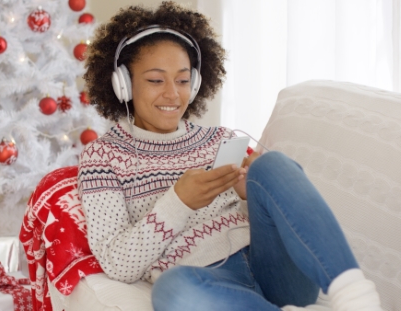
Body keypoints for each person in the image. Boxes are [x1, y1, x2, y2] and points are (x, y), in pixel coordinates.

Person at [78, 2, 383, 311]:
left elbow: (264, 219)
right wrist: (177, 202)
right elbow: (118, 265)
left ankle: (358, 299)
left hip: (275, 270)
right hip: (208, 283)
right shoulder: (102, 159)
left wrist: (247, 196)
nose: (173, 94)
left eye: (183, 80)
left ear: (196, 83)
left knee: (271, 164)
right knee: (173, 291)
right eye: (156, 80)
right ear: (123, 84)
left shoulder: (220, 139)